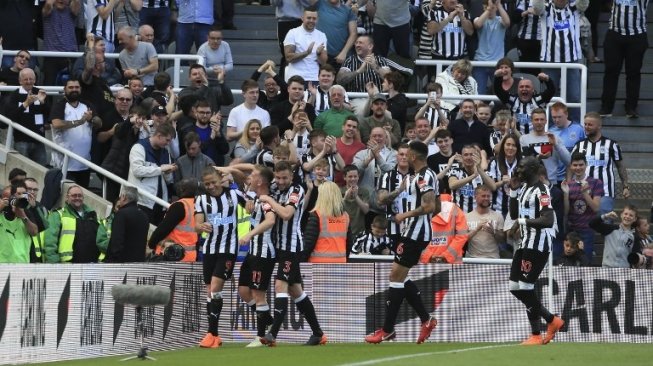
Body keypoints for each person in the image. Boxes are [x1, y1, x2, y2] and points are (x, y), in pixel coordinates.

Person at [365, 141, 438, 345]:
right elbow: (437, 205)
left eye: (409, 154)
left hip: (415, 234)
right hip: (411, 232)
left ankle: (388, 330)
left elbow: (431, 205)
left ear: (413, 157)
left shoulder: (424, 177)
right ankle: (426, 320)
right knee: (398, 277)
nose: (406, 157)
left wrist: (405, 215)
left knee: (396, 277)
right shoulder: (421, 176)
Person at [257, 161, 327, 347]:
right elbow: (255, 177)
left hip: (292, 247)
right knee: (296, 291)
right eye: (277, 177)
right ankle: (318, 333)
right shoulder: (273, 187)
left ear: (291, 176)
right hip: (278, 246)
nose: (280, 181)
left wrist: (270, 200)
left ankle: (272, 334)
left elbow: (287, 214)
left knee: (281, 284)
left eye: (284, 178)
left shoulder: (297, 190)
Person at [507, 156, 563, 345]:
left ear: (532, 169)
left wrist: (521, 222)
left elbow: (548, 219)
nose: (518, 170)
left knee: (525, 287)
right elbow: (514, 214)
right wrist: (513, 191)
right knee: (515, 287)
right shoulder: (524, 188)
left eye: (521, 167)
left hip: (538, 245)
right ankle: (551, 320)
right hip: (525, 244)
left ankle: (536, 334)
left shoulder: (542, 190)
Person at [195, 167, 246, 348]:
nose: (210, 186)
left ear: (220, 179)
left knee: (215, 287)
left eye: (213, 182)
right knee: (210, 290)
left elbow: (249, 205)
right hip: (209, 249)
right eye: (207, 183)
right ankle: (215, 336)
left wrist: (233, 178)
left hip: (228, 249)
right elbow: (197, 225)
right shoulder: (201, 199)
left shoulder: (233, 195)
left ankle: (212, 334)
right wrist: (202, 227)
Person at [236, 166, 277, 347]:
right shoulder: (254, 199)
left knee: (259, 295)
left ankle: (260, 337)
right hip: (253, 253)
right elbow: (236, 175)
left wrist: (249, 235)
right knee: (244, 290)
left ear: (260, 182)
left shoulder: (267, 201)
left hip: (264, 253)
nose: (249, 178)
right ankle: (268, 318)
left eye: (252, 176)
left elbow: (270, 220)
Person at [572, 112, 629, 215]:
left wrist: (625, 186)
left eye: (590, 125)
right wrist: (569, 183)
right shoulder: (579, 145)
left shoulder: (611, 144)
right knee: (584, 225)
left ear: (599, 126)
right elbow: (570, 166)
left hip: (605, 192)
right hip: (583, 191)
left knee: (604, 222)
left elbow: (620, 166)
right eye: (585, 124)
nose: (586, 127)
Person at [50, 78, 103, 189]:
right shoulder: (60, 105)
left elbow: (99, 123)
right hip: (64, 164)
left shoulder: (87, 104)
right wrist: (80, 121)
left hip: (84, 163)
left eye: (77, 87)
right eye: (71, 87)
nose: (74, 90)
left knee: (82, 195)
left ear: (81, 89)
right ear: (65, 89)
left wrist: (91, 119)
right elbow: (56, 124)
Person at [600, 0, 649, 118]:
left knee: (633, 72)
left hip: (637, 34)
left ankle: (631, 107)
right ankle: (606, 107)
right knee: (611, 71)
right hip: (615, 33)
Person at [127, 123, 177, 225]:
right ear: (159, 136)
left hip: (159, 202)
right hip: (141, 201)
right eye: (167, 140)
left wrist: (167, 173)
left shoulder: (165, 152)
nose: (168, 143)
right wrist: (160, 169)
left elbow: (167, 180)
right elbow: (137, 171)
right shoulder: (139, 147)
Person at [44, 185, 109, 263]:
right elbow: (50, 242)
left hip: (92, 265)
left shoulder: (93, 216)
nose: (77, 198)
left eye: (80, 196)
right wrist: (54, 263)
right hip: (67, 265)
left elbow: (101, 241)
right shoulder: (58, 215)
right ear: (67, 197)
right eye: (74, 196)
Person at [561, 152, 602, 262]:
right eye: (575, 165)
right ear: (571, 166)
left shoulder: (596, 183)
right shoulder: (568, 184)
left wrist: (585, 193)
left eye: (581, 165)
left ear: (586, 164)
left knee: (585, 261)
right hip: (571, 229)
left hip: (587, 230)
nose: (578, 168)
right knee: (569, 261)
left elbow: (596, 208)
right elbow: (566, 212)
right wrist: (565, 194)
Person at [2, 68, 49, 166]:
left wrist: (43, 102)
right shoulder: (14, 95)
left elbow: (48, 113)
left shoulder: (40, 93)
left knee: (42, 168)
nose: (28, 82)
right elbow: (11, 116)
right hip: (21, 140)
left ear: (35, 80)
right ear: (20, 81)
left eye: (31, 79)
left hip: (39, 140)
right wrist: (26, 103)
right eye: (25, 79)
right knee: (22, 169)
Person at [336, 35, 412, 93]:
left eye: (360, 43)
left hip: (379, 98)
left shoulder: (380, 60)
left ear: (370, 46)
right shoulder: (349, 61)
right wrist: (358, 71)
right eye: (356, 43)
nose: (357, 45)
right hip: (357, 98)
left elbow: (391, 80)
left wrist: (375, 67)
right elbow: (339, 80)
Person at [148, 178, 200, 262]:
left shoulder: (179, 206)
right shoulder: (198, 206)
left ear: (182, 189)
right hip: (190, 256)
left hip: (173, 255)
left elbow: (163, 229)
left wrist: (152, 243)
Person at [493, 70, 555, 135]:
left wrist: (547, 80)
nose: (524, 89)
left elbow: (551, 90)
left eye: (527, 86)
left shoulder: (539, 100)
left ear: (533, 89)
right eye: (521, 87)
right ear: (517, 89)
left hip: (535, 138)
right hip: (517, 139)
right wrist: (498, 78)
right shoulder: (512, 100)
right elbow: (498, 91)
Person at [519, 108, 571, 185]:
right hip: (530, 182)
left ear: (546, 121)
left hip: (551, 182)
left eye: (542, 119)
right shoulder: (524, 139)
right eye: (536, 120)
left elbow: (568, 161)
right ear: (532, 121)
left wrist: (556, 145)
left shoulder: (554, 137)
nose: (539, 122)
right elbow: (523, 164)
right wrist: (538, 158)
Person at [305, 181, 349, 264]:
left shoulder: (317, 215)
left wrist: (303, 260)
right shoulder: (345, 216)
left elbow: (308, 243)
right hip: (340, 262)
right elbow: (349, 242)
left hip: (318, 263)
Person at [473, 0, 510, 94]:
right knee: (479, 93)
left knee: (499, 93)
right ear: (483, 8)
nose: (489, 10)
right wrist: (489, 9)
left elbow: (507, 23)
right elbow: (477, 25)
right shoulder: (478, 19)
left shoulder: (500, 20)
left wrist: (499, 5)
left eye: (492, 8)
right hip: (480, 62)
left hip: (498, 62)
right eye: (486, 8)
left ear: (496, 8)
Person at [419, 192, 468, 264]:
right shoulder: (456, 210)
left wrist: (428, 256)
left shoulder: (417, 211)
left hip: (425, 265)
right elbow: (462, 236)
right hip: (452, 264)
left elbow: (414, 238)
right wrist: (447, 256)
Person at [41, 0, 81, 87]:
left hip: (70, 55)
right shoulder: (47, 11)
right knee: (48, 87)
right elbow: (48, 4)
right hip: (52, 55)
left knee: (73, 86)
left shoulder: (71, 11)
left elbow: (77, 2)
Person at [283, 7, 328, 82]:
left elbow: (323, 63)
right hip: (295, 78)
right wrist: (306, 53)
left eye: (314, 18)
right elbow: (288, 58)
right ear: (302, 18)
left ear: (317, 19)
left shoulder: (321, 35)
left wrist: (319, 53)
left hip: (314, 78)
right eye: (309, 18)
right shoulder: (293, 33)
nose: (311, 21)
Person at [105, 186, 149, 262]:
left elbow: (116, 242)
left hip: (121, 264)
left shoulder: (121, 214)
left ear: (124, 197)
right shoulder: (144, 216)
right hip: (138, 264)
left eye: (121, 196)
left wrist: (111, 260)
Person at [0, 185, 39, 263]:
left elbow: (34, 232)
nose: (12, 200)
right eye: (9, 198)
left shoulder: (25, 212)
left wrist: (23, 216)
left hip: (22, 265)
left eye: (15, 197)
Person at [548, 101, 585, 183]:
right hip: (556, 178)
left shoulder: (579, 130)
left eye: (559, 117)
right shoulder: (550, 132)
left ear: (566, 114)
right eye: (554, 117)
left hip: (574, 177)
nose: (556, 120)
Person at [314, 0, 357, 69]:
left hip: (339, 56)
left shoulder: (348, 11)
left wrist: (344, 52)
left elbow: (353, 34)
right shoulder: (319, 4)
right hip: (320, 54)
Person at [465, 185, 505, 258]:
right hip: (473, 258)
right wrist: (476, 229)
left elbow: (503, 240)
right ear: (475, 197)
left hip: (493, 258)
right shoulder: (467, 217)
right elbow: (462, 239)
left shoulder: (498, 216)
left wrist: (494, 232)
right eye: (483, 196)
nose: (486, 198)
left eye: (488, 196)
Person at [334, 115, 365, 186]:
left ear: (357, 130)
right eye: (349, 125)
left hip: (353, 187)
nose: (351, 128)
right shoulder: (333, 143)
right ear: (343, 127)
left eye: (354, 127)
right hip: (335, 185)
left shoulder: (361, 147)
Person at [24, 178, 49, 263]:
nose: (32, 192)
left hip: (36, 254)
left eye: (35, 190)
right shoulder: (17, 206)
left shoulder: (42, 208)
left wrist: (34, 208)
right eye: (29, 189)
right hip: (19, 251)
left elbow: (44, 227)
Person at [341, 164, 370, 236]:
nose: (353, 179)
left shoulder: (364, 191)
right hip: (342, 232)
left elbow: (366, 210)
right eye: (350, 177)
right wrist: (345, 198)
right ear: (344, 177)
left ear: (358, 177)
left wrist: (356, 196)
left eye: (355, 176)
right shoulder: (339, 191)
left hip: (359, 233)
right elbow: (335, 211)